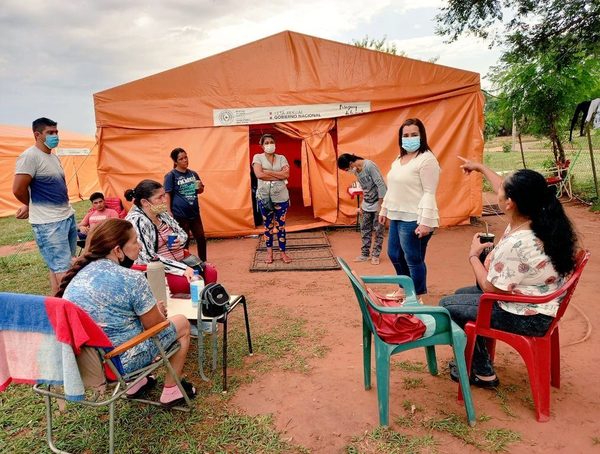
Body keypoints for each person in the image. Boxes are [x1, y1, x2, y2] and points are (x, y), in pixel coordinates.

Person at [440, 160, 578, 388]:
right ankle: (479, 354)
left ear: (510, 203)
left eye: (503, 189)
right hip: (541, 305)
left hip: (528, 317)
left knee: (447, 306)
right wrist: (480, 168)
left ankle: (482, 371)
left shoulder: (518, 244)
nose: (499, 189)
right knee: (461, 294)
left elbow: (491, 288)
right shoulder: (538, 219)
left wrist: (473, 256)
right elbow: (501, 187)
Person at [58, 219, 196, 406]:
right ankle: (172, 390)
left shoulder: (77, 276)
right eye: (134, 241)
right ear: (117, 250)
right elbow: (156, 326)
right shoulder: (132, 278)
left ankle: (136, 384)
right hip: (120, 361)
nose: (139, 246)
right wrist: (160, 312)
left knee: (125, 325)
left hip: (87, 363)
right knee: (181, 323)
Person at [12, 117, 78, 295]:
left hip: (66, 216)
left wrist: (30, 204)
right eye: (50, 133)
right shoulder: (30, 156)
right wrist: (29, 204)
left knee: (60, 264)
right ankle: (71, 306)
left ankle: (58, 302)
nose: (55, 136)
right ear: (37, 134)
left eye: (56, 132)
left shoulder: (52, 157)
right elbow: (18, 189)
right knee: (63, 268)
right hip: (49, 223)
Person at [378, 118, 440, 296]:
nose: (409, 138)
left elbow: (429, 192)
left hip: (415, 217)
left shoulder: (427, 159)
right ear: (400, 138)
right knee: (394, 254)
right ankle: (404, 288)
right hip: (397, 215)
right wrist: (384, 210)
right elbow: (394, 187)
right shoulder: (399, 159)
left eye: (414, 134)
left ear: (422, 136)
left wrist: (426, 222)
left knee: (413, 258)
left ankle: (417, 295)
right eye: (405, 135)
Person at [124, 179, 195, 281]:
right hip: (156, 272)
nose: (165, 200)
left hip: (177, 264)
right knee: (196, 280)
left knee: (208, 272)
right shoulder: (137, 220)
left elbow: (183, 234)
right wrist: (182, 269)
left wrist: (179, 240)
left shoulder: (161, 213)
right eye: (159, 197)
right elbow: (147, 257)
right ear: (144, 202)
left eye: (164, 195)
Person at [338, 153, 387, 265]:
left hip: (378, 203)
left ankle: (375, 255)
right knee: (364, 229)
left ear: (350, 163)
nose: (348, 172)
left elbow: (380, 185)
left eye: (346, 169)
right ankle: (365, 254)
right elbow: (365, 188)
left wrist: (381, 207)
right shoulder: (356, 171)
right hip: (367, 203)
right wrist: (361, 205)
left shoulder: (369, 166)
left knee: (378, 230)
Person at [252, 133, 292, 264]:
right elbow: (258, 174)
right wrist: (279, 176)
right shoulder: (257, 157)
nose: (269, 145)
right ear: (262, 145)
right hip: (264, 197)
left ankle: (283, 253)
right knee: (267, 227)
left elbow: (287, 174)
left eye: (271, 142)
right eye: (266, 143)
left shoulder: (282, 158)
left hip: (281, 197)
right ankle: (269, 254)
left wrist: (267, 172)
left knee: (281, 226)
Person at [164, 148, 207, 261]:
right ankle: (185, 262)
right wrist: (168, 211)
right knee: (184, 240)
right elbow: (167, 194)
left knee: (201, 237)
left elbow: (200, 191)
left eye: (186, 157)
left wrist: (200, 187)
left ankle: (203, 261)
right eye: (181, 159)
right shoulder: (171, 176)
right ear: (175, 161)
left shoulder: (193, 174)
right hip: (180, 214)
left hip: (194, 212)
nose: (185, 160)